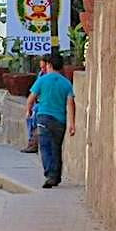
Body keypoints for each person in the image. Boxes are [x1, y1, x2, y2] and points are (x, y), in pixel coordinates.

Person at [24, 52, 75, 188]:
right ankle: (56, 175)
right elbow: (70, 104)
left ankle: (50, 175)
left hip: (44, 118)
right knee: (56, 147)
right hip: (60, 121)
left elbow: (31, 98)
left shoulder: (42, 80)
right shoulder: (66, 84)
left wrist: (28, 110)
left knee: (45, 147)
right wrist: (72, 123)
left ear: (50, 65)